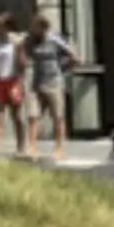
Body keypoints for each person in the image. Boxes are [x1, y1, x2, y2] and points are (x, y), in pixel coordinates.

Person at [24, 15, 81, 162]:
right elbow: (24, 55)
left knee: (57, 117)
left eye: (37, 28)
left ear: (44, 28)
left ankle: (59, 148)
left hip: (54, 83)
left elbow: (75, 57)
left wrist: (64, 69)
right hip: (36, 84)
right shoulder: (31, 41)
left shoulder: (54, 40)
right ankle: (32, 147)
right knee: (33, 116)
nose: (35, 31)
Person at [0, 11, 29, 159]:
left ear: (8, 26)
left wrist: (19, 83)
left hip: (13, 80)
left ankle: (21, 146)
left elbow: (23, 64)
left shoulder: (16, 42)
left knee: (16, 116)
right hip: (1, 80)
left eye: (0, 25)